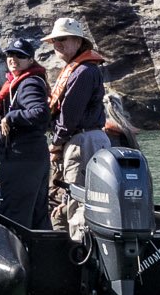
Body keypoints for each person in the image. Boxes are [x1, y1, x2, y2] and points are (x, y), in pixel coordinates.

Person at [40, 15, 133, 213]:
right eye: (54, 40)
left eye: (62, 39)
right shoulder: (79, 69)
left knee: (79, 201)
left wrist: (56, 143)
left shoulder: (82, 71)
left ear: (78, 42)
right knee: (70, 199)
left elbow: (70, 114)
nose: (57, 44)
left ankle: (80, 234)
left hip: (83, 141)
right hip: (81, 139)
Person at [0, 36, 52, 228]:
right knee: (37, 214)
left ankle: (15, 248)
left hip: (23, 158)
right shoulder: (20, 82)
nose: (13, 59)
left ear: (30, 60)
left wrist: (11, 117)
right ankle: (42, 247)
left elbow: (40, 113)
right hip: (31, 157)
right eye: (10, 54)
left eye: (20, 56)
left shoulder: (29, 83)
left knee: (15, 214)